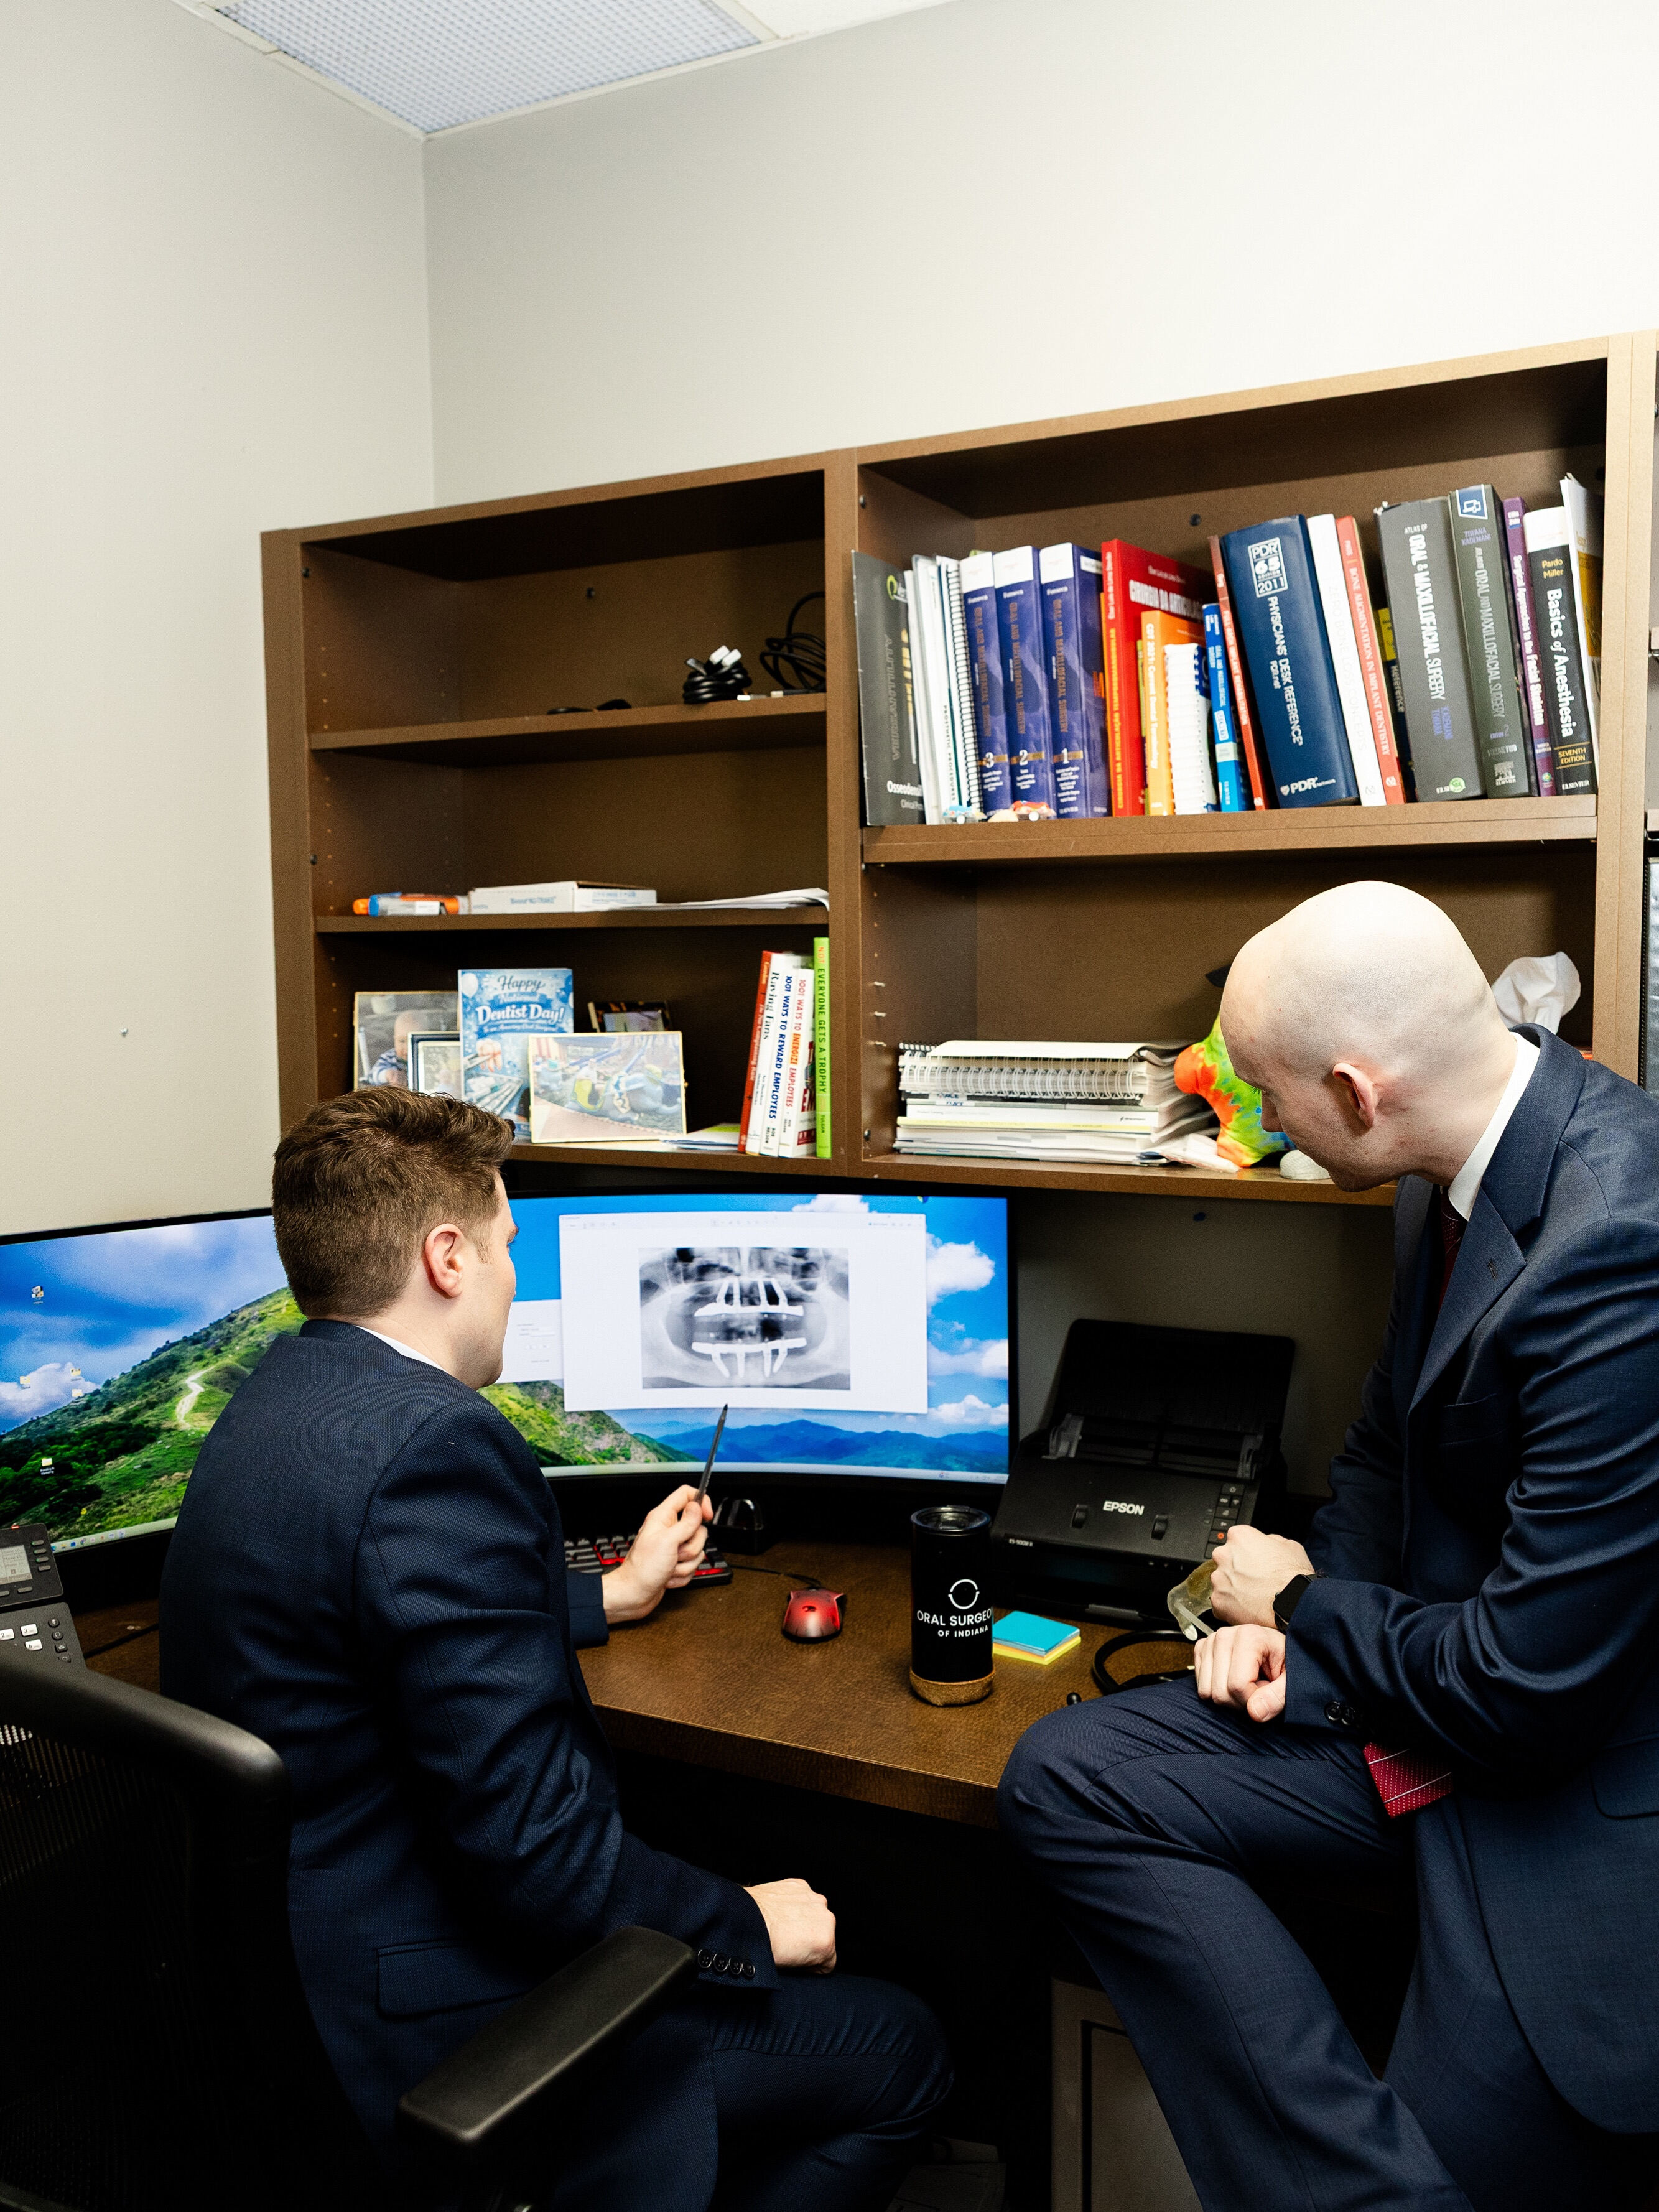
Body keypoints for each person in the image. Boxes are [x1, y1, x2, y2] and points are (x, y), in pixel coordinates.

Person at [161, 1088, 949, 2210]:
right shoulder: (439, 1445)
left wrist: (609, 1594)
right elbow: (543, 1860)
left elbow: (369, 1613)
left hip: (287, 1983)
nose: (512, 1277)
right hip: (429, 2029)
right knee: (901, 2048)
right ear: (447, 1257)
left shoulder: (276, 1402)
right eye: (506, 1245)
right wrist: (744, 1925)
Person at [999, 881, 1659, 2212]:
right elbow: (1379, 1453)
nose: (1247, 1118)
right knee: (1064, 1772)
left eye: (1259, 1091)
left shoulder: (1620, 1249)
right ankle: (1348, 2186)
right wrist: (1270, 1624)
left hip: (1559, 1783)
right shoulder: (1447, 1160)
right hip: (1424, 1697)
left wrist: (1302, 1602)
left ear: (1355, 1093)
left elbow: (1529, 1690)